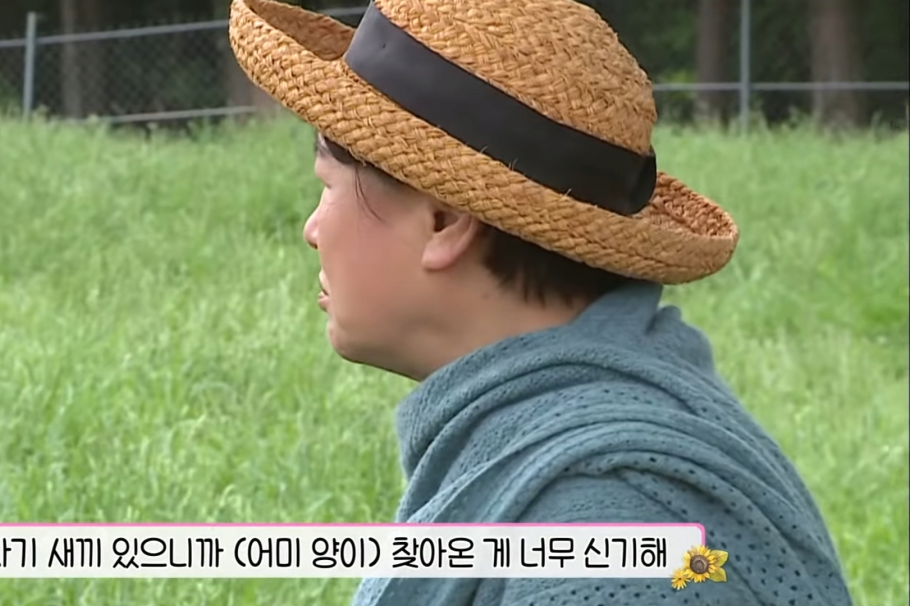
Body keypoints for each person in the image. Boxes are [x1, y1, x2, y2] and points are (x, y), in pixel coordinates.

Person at [226, 0, 854, 605]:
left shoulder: (613, 533)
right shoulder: (592, 435)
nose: (312, 229)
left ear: (443, 221)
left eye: (328, 187)